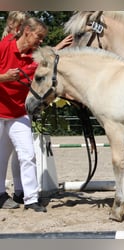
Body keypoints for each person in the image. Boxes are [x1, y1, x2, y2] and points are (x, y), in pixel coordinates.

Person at [0, 17, 50, 212]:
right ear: (27, 31)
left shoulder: (34, 58)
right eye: (39, 36)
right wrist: (3, 77)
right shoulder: (4, 47)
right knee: (1, 158)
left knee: (28, 154)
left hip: (19, 113)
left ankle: (30, 199)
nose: (40, 41)